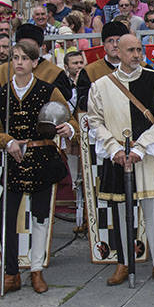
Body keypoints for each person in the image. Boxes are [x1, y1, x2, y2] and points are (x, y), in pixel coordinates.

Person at [0, 40, 73, 296]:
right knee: (3, 213)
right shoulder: (0, 95)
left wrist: (69, 129)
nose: (19, 62)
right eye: (15, 57)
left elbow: (68, 117)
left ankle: (36, 269)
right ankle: (11, 273)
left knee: (41, 215)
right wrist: (8, 141)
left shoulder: (48, 90)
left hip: (43, 158)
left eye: (25, 58)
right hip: (15, 162)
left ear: (35, 62)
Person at [88, 34, 154, 286]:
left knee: (152, 210)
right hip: (118, 157)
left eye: (139, 50)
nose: (136, 55)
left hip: (146, 156)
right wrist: (114, 148)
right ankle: (123, 263)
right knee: (120, 211)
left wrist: (140, 148)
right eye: (131, 50)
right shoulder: (101, 86)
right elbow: (95, 121)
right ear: (118, 52)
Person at [62, 48, 90, 235]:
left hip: (87, 133)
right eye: (75, 63)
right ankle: (79, 214)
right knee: (75, 178)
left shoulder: (88, 82)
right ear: (66, 67)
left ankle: (89, 217)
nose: (79, 66)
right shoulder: (63, 85)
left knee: (88, 175)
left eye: (81, 62)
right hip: (71, 136)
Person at [85, 21, 128, 85]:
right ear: (104, 44)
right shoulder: (90, 71)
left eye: (119, 40)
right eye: (110, 41)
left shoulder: (140, 68)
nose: (115, 45)